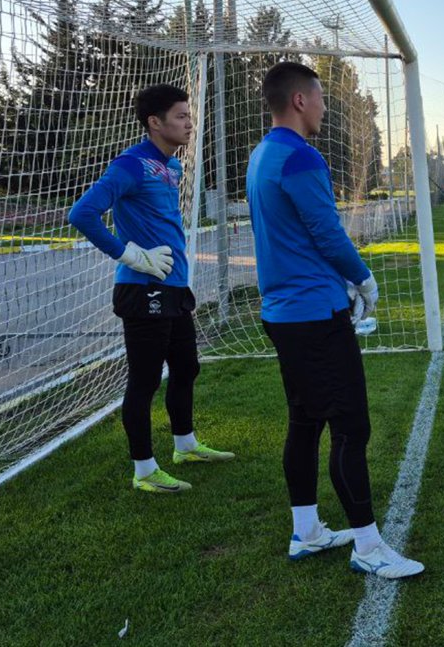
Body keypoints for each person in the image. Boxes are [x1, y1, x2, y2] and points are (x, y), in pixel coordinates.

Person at [246, 61, 422, 579]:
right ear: (299, 100)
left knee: (305, 422)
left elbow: (298, 236)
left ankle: (307, 532)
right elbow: (327, 233)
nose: (325, 105)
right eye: (320, 96)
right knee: (351, 427)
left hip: (284, 312)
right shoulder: (300, 157)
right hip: (313, 316)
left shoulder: (263, 154)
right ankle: (368, 546)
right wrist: (363, 279)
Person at [68, 84, 234, 494]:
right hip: (143, 290)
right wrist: (130, 255)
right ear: (155, 123)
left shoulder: (172, 167)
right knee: (144, 380)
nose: (189, 123)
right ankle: (144, 470)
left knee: (187, 368)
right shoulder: (130, 165)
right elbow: (83, 213)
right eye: (181, 116)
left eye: (189, 116)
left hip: (174, 286)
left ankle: (185, 446)